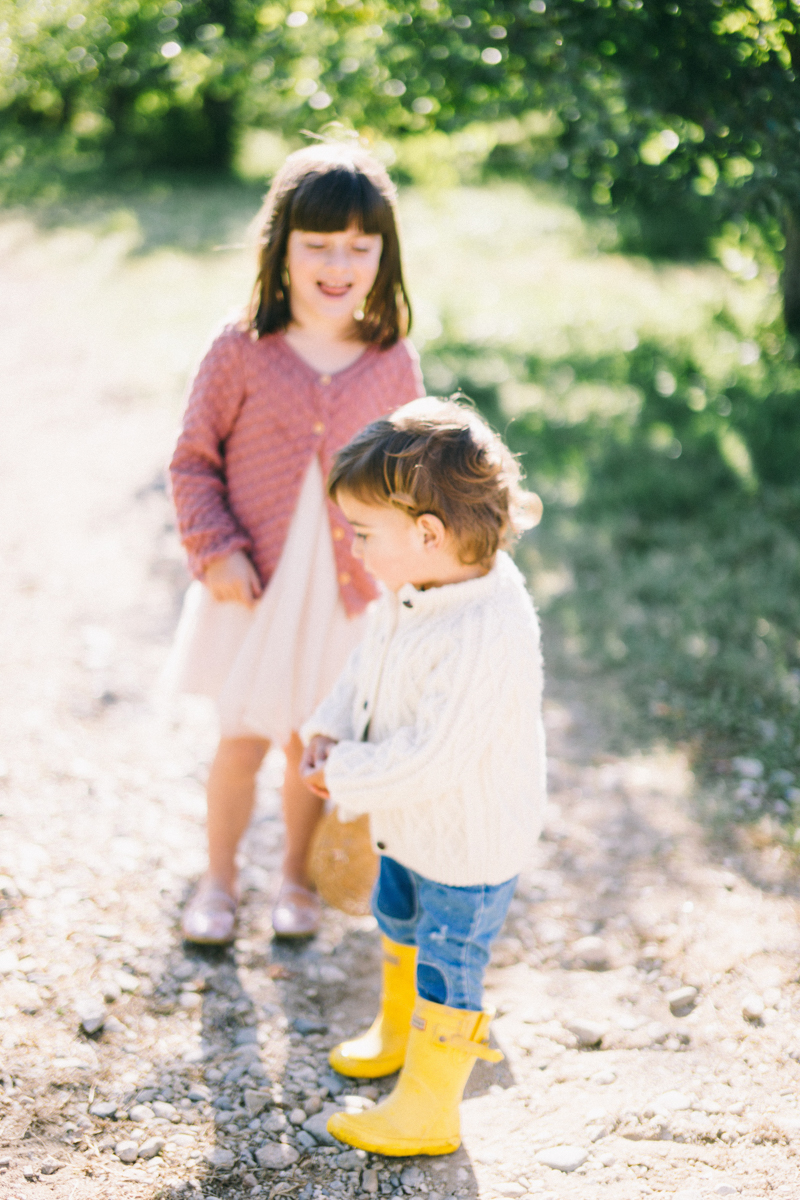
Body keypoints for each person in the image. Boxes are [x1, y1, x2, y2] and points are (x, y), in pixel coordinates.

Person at [167, 143, 424, 943]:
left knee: (311, 748)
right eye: (317, 244)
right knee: (240, 739)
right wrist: (215, 548)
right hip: (254, 583)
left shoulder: (390, 361)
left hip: (344, 594)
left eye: (359, 246)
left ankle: (295, 882)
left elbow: (409, 477)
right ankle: (217, 881)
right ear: (280, 247)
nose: (337, 264)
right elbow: (191, 462)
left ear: (384, 256)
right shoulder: (240, 348)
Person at [299, 397, 546, 1156]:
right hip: (408, 826)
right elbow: (366, 665)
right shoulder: (416, 587)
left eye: (365, 534)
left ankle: (431, 1110)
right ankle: (397, 1031)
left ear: (428, 533)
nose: (358, 549)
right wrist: (330, 725)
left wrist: (344, 773)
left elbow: (435, 756)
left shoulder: (483, 627)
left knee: (448, 960)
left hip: (466, 844)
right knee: (397, 918)